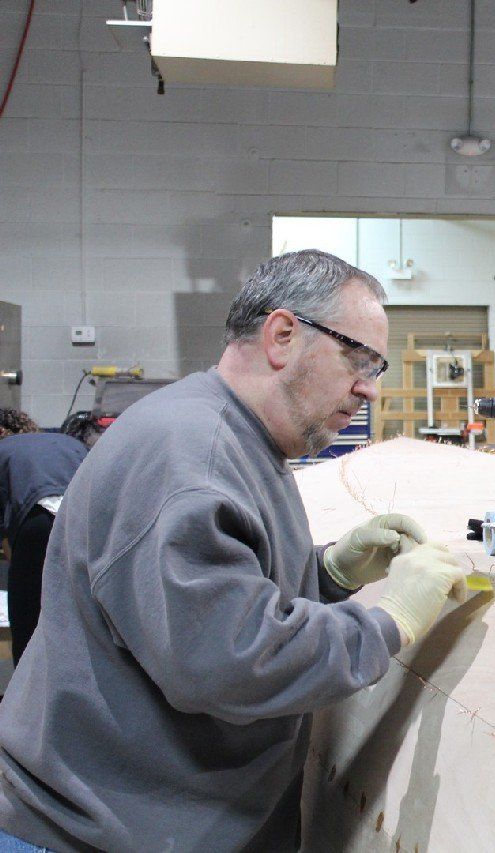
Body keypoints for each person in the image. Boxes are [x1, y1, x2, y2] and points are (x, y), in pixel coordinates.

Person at [0, 250, 470, 851]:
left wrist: (326, 573)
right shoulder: (194, 460)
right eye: (359, 360)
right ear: (282, 335)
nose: (369, 390)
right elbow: (231, 662)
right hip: (92, 833)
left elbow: (213, 597)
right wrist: (390, 622)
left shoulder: (232, 434)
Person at [0, 412, 92, 666]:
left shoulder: (4, 451)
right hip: (83, 521)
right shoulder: (70, 443)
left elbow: (5, 534)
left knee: (27, 621)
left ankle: (28, 685)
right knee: (81, 619)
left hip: (37, 520)